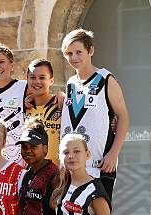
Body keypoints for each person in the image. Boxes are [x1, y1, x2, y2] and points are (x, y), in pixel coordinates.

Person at [60, 28, 130, 199]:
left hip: (99, 166)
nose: (74, 57)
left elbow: (123, 117)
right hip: (73, 165)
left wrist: (113, 154)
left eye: (78, 52)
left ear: (90, 51)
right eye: (69, 53)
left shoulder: (106, 78)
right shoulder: (71, 84)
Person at [25, 59, 61, 165]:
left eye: (42, 77)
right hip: (32, 175)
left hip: (58, 175)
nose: (37, 81)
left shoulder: (61, 105)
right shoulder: (23, 108)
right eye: (32, 77)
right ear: (26, 80)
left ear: (51, 80)